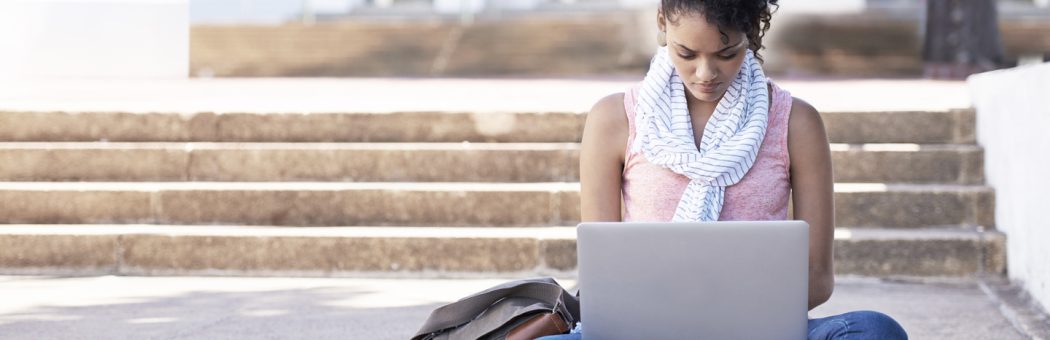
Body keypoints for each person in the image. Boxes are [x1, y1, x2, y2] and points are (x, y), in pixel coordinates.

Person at [541, 0, 909, 339]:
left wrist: (728, 314)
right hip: (645, 328)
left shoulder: (796, 122)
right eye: (686, 53)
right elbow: (602, 275)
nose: (705, 73)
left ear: (751, 34)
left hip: (759, 328)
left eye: (726, 53)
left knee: (875, 330)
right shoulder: (614, 118)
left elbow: (817, 278)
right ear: (661, 23)